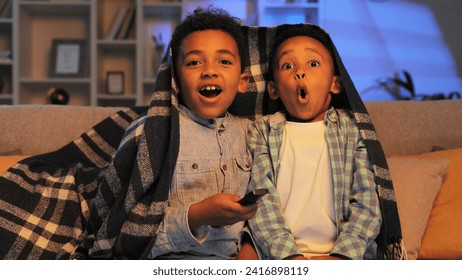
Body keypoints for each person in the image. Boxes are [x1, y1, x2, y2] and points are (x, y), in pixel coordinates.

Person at [237, 24, 382, 260]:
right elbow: (262, 200)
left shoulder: (352, 129)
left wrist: (341, 257)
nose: (300, 72)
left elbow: (367, 201)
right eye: (288, 66)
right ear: (273, 90)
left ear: (335, 84)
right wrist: (291, 258)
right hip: (278, 252)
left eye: (313, 64)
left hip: (344, 252)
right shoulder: (263, 131)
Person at [145, 7, 257, 259]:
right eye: (194, 62)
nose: (209, 70)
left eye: (224, 61)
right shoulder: (157, 133)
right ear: (175, 80)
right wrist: (197, 216)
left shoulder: (255, 135)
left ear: (243, 81)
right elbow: (132, 234)